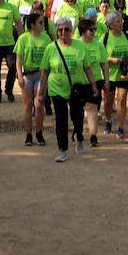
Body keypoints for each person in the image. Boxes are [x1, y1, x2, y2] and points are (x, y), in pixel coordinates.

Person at [42, 17, 94, 162]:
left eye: (66, 29)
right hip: (57, 88)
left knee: (77, 117)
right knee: (61, 119)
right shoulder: (51, 48)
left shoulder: (80, 46)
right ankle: (62, 150)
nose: (63, 32)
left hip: (76, 88)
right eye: (60, 30)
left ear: (71, 31)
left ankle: (79, 135)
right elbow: (45, 71)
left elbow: (88, 68)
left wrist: (93, 86)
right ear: (56, 31)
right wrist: (41, 92)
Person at [14, 13, 51, 145]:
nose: (43, 25)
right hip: (27, 75)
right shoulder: (23, 38)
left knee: (39, 104)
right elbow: (18, 60)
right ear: (32, 25)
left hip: (41, 75)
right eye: (40, 22)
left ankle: (39, 132)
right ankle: (28, 134)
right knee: (28, 105)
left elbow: (49, 59)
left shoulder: (46, 39)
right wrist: (19, 76)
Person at [103, 12, 128, 140]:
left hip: (124, 74)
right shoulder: (104, 38)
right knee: (108, 101)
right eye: (117, 21)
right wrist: (113, 60)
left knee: (121, 100)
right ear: (110, 25)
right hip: (109, 75)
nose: (121, 23)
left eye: (121, 21)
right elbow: (101, 57)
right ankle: (108, 120)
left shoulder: (127, 36)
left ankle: (120, 127)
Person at [79, 17, 108, 147]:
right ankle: (77, 131)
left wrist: (106, 80)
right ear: (83, 31)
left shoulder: (98, 44)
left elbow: (104, 64)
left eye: (94, 29)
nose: (94, 31)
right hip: (80, 81)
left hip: (96, 80)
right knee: (78, 109)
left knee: (92, 108)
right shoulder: (77, 44)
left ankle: (93, 135)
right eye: (91, 29)